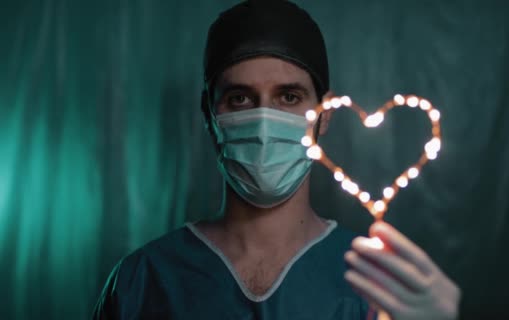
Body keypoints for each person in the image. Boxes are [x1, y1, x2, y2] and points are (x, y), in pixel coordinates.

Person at [92, 1, 461, 319]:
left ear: (325, 113)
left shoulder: (376, 282)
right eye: (240, 99)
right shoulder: (141, 282)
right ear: (208, 113)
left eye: (288, 97)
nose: (265, 122)